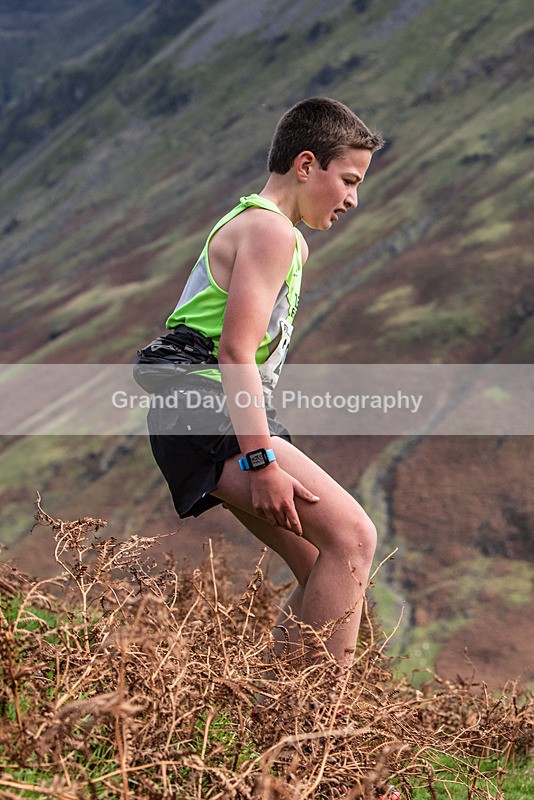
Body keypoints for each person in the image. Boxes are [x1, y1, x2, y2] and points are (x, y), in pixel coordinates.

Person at [147, 97, 384, 666]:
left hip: (206, 409)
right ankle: (323, 715)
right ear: (306, 165)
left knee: (319, 563)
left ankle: (274, 708)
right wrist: (261, 462)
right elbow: (234, 352)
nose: (353, 199)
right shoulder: (271, 231)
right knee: (354, 538)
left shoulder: (274, 232)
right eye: (348, 180)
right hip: (206, 404)